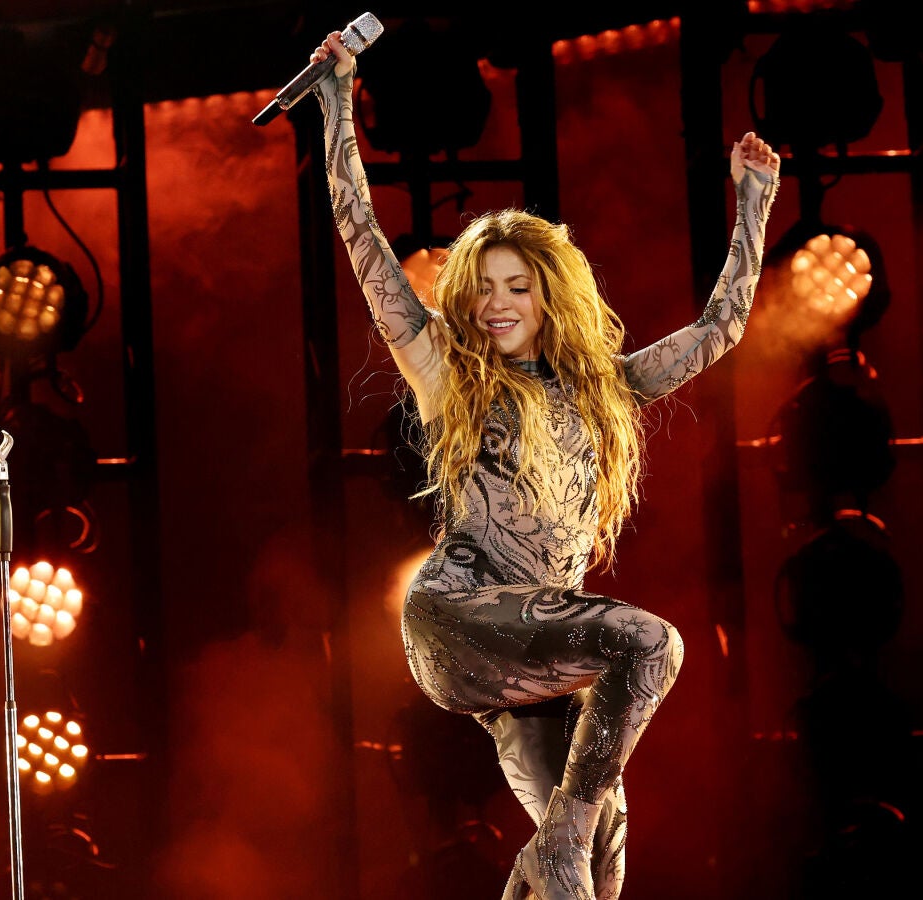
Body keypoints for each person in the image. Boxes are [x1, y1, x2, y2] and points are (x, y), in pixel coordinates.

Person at [310, 29, 779, 900]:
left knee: (598, 869)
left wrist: (754, 201)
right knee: (652, 643)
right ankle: (557, 840)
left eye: (516, 287)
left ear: (549, 295)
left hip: (536, 674)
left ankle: (552, 856)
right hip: (457, 620)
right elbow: (360, 234)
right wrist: (337, 98)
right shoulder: (445, 372)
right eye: (482, 288)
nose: (496, 305)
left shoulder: (607, 388)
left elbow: (721, 329)